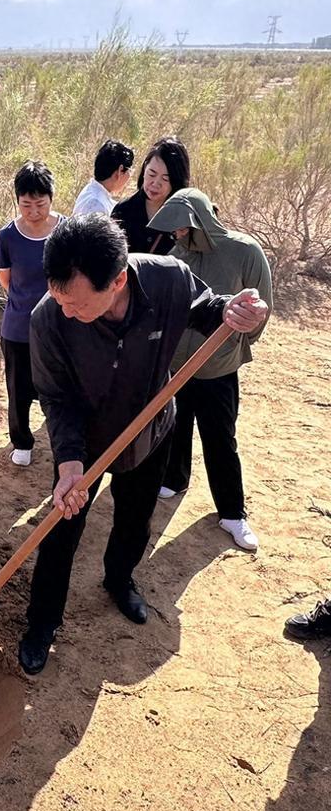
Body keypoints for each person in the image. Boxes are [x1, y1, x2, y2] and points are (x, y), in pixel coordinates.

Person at [18, 213, 268, 674]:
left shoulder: (168, 279)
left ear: (116, 280)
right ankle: (42, 621)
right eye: (60, 298)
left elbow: (209, 307)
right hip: (87, 441)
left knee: (135, 519)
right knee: (61, 530)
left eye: (76, 303)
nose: (66, 309)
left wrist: (236, 310)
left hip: (150, 429)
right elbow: (56, 398)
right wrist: (70, 464)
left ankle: (119, 580)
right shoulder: (49, 317)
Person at [148, 189, 272, 551]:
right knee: (176, 427)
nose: (177, 235)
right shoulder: (175, 257)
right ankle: (175, 478)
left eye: (182, 229)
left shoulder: (245, 251)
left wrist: (238, 344)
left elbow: (261, 306)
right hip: (179, 367)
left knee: (220, 440)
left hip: (218, 369)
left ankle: (232, 513)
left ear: (199, 222)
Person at [0, 161, 63, 466]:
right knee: (18, 389)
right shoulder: (7, 236)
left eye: (40, 203)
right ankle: (21, 442)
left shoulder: (67, 230)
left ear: (51, 198)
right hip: (19, 327)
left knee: (59, 388)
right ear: (17, 201)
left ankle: (64, 441)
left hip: (59, 327)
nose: (33, 211)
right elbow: (7, 280)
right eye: (26, 204)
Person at [111, 136, 190, 253]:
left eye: (165, 179)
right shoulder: (123, 211)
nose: (155, 184)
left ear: (176, 182)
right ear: (144, 169)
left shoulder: (184, 221)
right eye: (152, 174)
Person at [73, 140, 133, 216]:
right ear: (120, 171)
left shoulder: (92, 190)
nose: (129, 176)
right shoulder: (97, 205)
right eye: (129, 170)